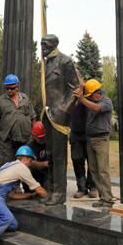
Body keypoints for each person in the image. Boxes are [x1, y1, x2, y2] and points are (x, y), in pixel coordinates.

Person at [41, 34, 80, 205]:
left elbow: (76, 89)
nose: (41, 47)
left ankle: (59, 193)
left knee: (58, 155)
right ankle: (51, 190)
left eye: (45, 44)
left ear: (54, 45)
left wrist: (64, 111)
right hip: (47, 115)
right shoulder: (45, 63)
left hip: (59, 115)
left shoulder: (65, 61)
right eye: (41, 44)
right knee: (50, 154)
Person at [74, 79, 114, 213]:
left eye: (91, 95)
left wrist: (83, 99)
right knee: (94, 170)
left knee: (103, 170)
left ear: (98, 93)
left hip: (101, 139)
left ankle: (108, 200)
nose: (89, 97)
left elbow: (96, 109)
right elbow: (85, 86)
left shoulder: (105, 102)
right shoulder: (92, 100)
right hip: (90, 138)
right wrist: (77, 78)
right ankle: (103, 198)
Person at [0, 74, 36, 170]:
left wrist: (34, 132)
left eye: (12, 88)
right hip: (7, 140)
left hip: (24, 139)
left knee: (24, 165)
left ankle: (23, 184)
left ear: (17, 87)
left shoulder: (25, 99)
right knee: (7, 166)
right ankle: (9, 185)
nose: (9, 90)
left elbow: (32, 117)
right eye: (7, 88)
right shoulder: (0, 101)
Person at [70, 69, 97, 199]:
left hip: (89, 133)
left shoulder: (88, 92)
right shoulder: (68, 92)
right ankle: (82, 188)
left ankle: (93, 187)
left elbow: (91, 94)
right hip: (75, 133)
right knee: (77, 161)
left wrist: (80, 83)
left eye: (75, 77)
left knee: (92, 161)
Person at [25, 121, 49, 190]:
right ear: (34, 136)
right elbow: (33, 163)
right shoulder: (29, 146)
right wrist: (46, 164)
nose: (42, 140)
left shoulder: (49, 143)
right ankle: (29, 190)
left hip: (48, 173)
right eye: (39, 138)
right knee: (27, 169)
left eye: (43, 137)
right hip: (36, 173)